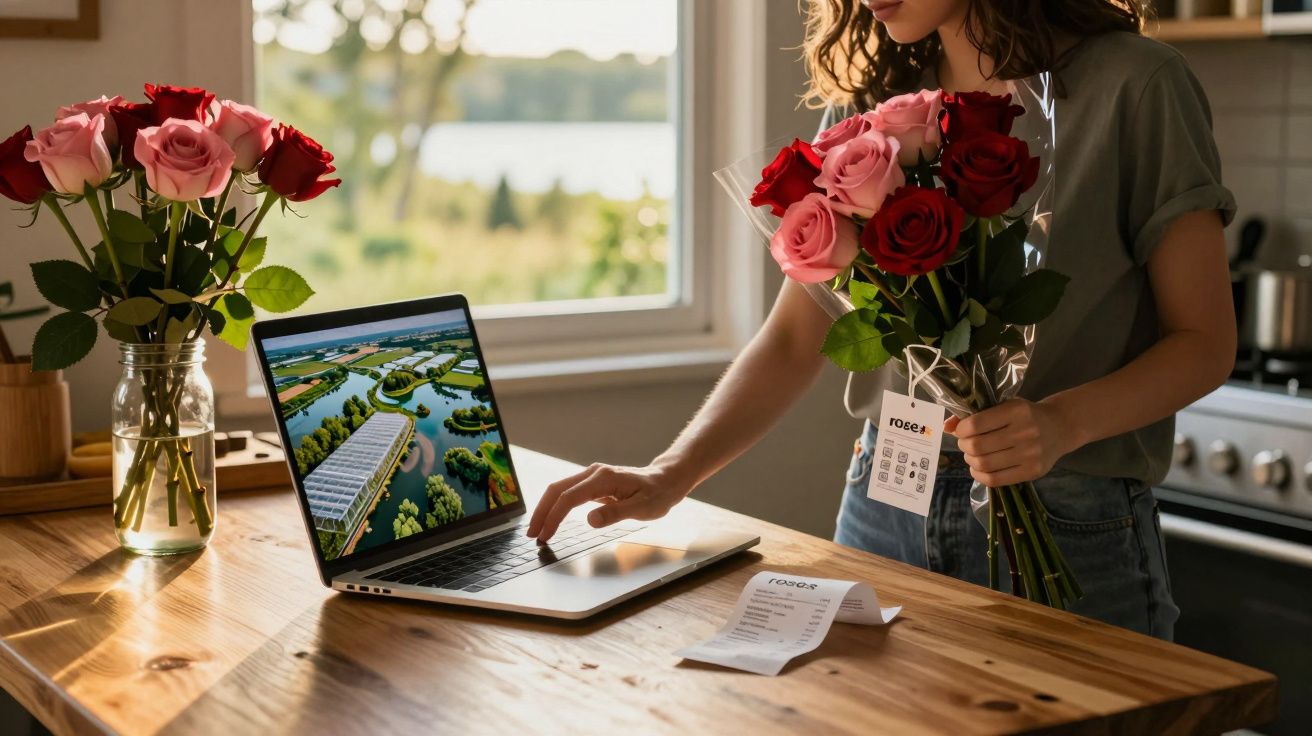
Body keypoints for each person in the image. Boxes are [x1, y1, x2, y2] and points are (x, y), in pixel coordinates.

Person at [527, 0, 1236, 640]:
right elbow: (794, 338)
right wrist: (669, 473)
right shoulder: (869, 108)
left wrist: (1061, 423)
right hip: (885, 494)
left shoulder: (1138, 85)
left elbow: (1204, 343)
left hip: (1070, 516)